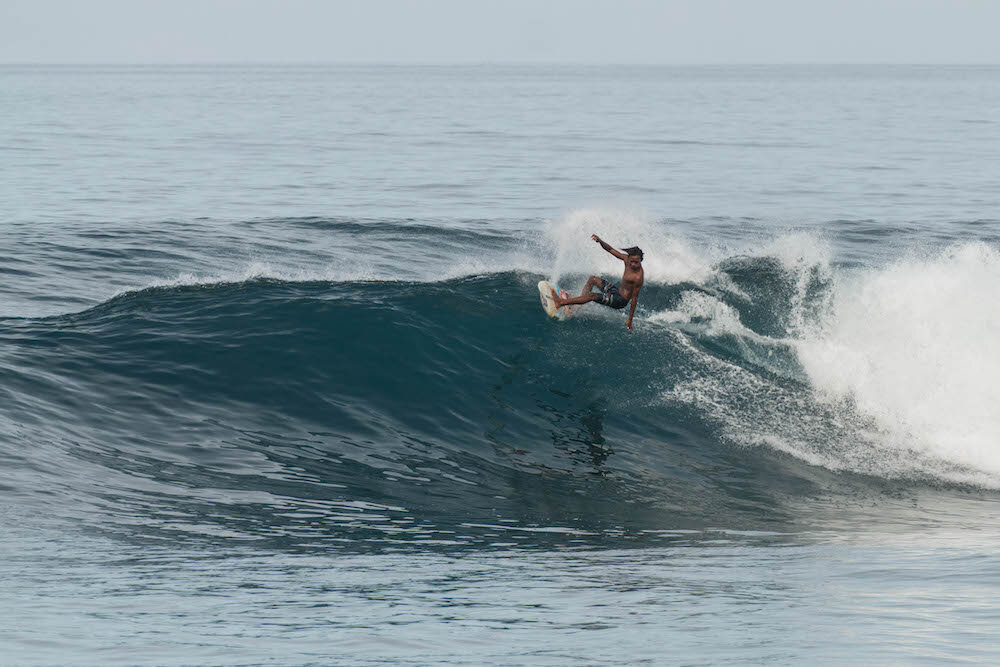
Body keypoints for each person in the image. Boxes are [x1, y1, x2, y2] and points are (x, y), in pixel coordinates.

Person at [551, 234, 644, 332]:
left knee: (592, 296)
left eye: (636, 262)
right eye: (632, 261)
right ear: (629, 258)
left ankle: (560, 303)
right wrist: (600, 241)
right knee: (593, 279)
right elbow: (610, 250)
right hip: (616, 292)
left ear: (641, 260)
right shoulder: (626, 259)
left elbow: (634, 299)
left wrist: (629, 320)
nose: (633, 264)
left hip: (620, 301)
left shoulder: (638, 277)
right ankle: (576, 306)